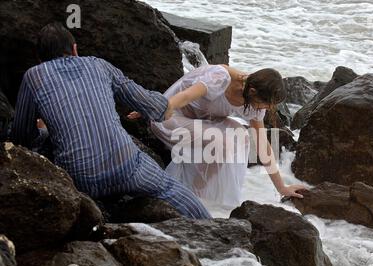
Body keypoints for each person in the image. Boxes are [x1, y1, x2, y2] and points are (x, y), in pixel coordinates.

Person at [10, 22, 211, 219]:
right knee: (169, 187)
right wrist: (166, 107)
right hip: (127, 167)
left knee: (47, 145)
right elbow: (153, 107)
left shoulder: (33, 77)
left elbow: (21, 136)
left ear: (39, 59)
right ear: (74, 49)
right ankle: (213, 232)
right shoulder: (99, 65)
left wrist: (45, 132)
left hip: (82, 179)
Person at [128, 64, 307, 207]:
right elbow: (186, 96)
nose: (266, 109)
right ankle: (192, 195)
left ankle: (203, 196)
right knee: (220, 141)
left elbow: (262, 144)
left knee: (241, 136)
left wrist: (281, 187)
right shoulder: (220, 78)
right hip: (170, 118)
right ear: (252, 92)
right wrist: (155, 107)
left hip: (202, 124)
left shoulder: (253, 103)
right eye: (266, 104)